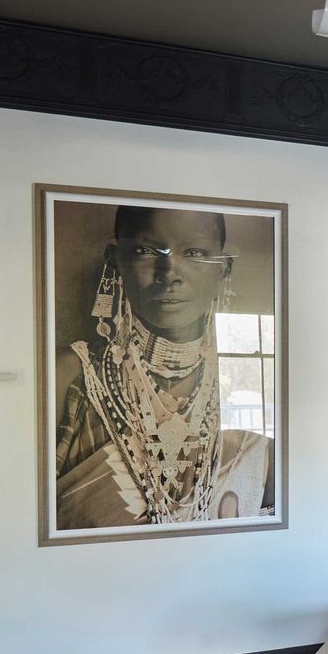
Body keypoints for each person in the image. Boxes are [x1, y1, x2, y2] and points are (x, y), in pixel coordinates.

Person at [54, 205, 272, 529]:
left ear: (223, 269)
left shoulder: (254, 413)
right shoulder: (68, 377)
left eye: (194, 252)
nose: (169, 272)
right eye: (146, 250)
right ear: (115, 260)